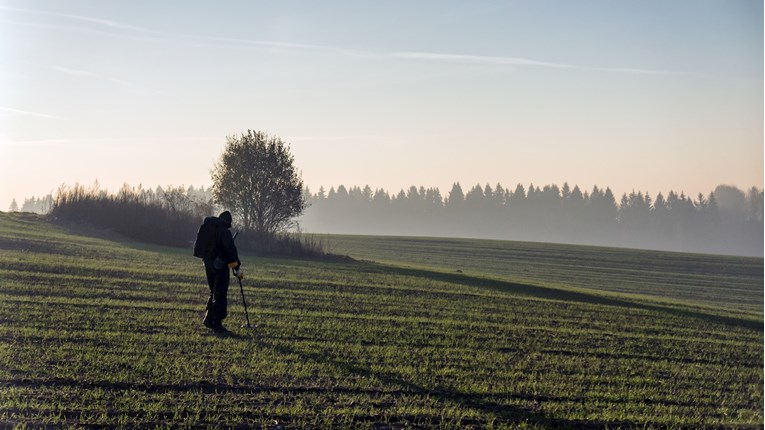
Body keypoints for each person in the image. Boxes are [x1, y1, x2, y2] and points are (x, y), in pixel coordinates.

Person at [201, 211, 242, 332]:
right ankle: (217, 323)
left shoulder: (210, 227)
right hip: (219, 267)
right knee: (220, 294)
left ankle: (208, 318)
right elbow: (230, 252)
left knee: (213, 291)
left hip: (208, 263)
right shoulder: (224, 231)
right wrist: (237, 268)